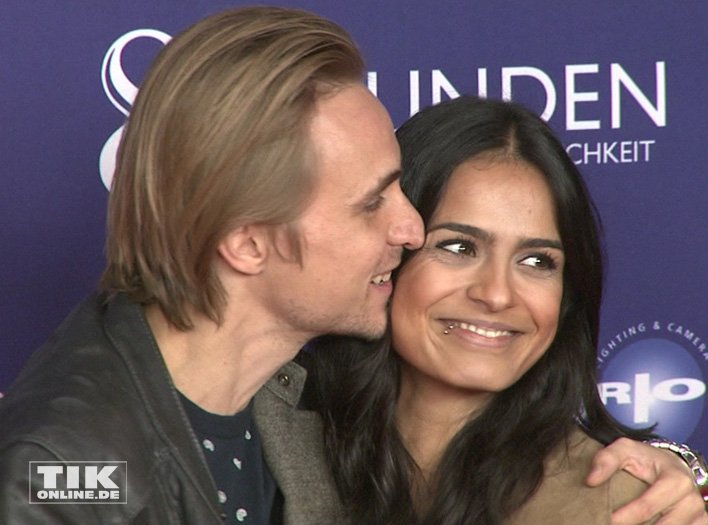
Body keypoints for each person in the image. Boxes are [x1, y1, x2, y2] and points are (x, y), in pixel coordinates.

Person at [0, 6, 702, 525]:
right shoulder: (73, 462)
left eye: (539, 260)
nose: (408, 226)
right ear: (246, 243)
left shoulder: (275, 412)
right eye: (372, 204)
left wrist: (686, 478)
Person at [311, 95, 708, 524]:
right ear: (390, 253)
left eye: (537, 261)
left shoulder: (625, 505)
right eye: (459, 247)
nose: (497, 294)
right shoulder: (272, 451)